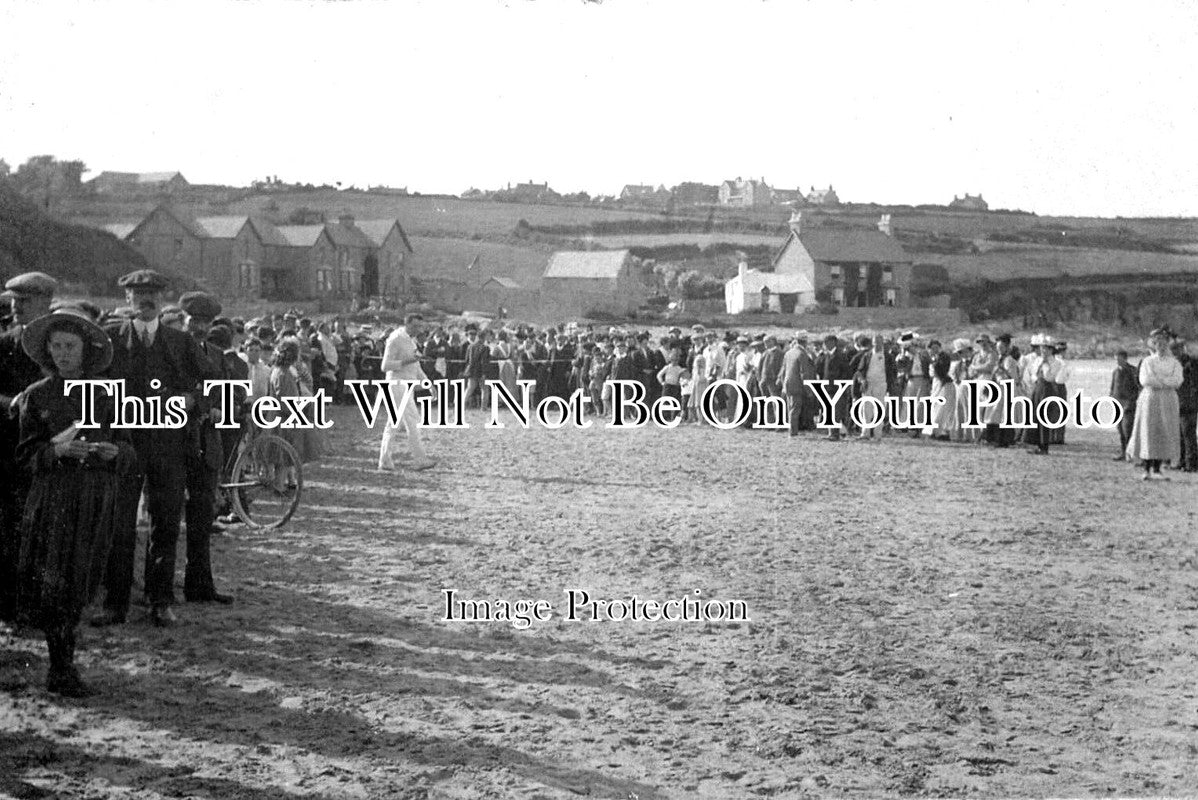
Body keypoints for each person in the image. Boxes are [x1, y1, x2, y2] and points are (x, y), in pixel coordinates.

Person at [14, 308, 138, 695]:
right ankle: (60, 668)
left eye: (71, 346)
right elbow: (24, 457)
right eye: (56, 347)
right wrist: (57, 451)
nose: (64, 353)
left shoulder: (106, 394)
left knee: (82, 578)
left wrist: (113, 452)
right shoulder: (37, 397)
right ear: (47, 352)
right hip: (55, 498)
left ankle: (64, 664)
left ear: (86, 350)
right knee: (57, 581)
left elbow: (130, 448)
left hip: (95, 498)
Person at [94, 270, 221, 628]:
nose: (145, 299)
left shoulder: (180, 342)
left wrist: (190, 400)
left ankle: (160, 600)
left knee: (165, 524)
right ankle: (115, 603)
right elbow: (93, 386)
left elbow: (213, 385)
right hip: (124, 444)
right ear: (128, 299)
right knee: (119, 525)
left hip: (169, 446)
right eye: (138, 293)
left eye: (152, 293)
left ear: (162, 299)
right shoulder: (110, 340)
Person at [0, 271, 58, 625]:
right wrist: (14, 402)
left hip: (51, 449)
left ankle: (38, 604)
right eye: (14, 300)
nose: (16, 307)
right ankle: (9, 604)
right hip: (9, 448)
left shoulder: (61, 343)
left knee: (46, 527)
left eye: (25, 301)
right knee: (10, 525)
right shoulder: (4, 344)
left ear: (46, 303)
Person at [378, 314, 436, 471]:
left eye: (420, 326)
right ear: (407, 324)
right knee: (412, 421)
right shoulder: (395, 338)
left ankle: (385, 460)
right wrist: (405, 362)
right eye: (416, 326)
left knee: (394, 423)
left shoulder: (411, 341)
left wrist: (427, 383)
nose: (418, 329)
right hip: (396, 384)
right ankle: (419, 459)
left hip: (406, 385)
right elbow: (385, 366)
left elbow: (416, 367)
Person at [1126, 330, 1184, 479]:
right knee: (1148, 431)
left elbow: (1177, 380)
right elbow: (1145, 380)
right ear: (1154, 345)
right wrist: (1165, 380)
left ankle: (1158, 469)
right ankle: (1146, 469)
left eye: (1165, 343)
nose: (1162, 346)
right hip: (1150, 399)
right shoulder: (1148, 362)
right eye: (1158, 343)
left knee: (1164, 431)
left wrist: (1160, 380)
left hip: (1168, 399)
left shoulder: (1174, 363)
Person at [1022, 334, 1066, 455]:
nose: (1043, 351)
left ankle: (1044, 446)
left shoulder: (1056, 362)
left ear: (1051, 350)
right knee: (1035, 415)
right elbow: (1031, 373)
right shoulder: (1037, 360)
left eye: (1045, 348)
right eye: (1041, 348)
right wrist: (1035, 378)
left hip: (1048, 389)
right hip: (1038, 388)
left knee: (1044, 416)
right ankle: (1037, 443)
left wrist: (1045, 365)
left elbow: (1050, 376)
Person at [1172, 339, 1198, 472]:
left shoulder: (1192, 363)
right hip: (1179, 403)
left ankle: (1191, 463)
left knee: (1188, 434)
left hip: (1188, 404)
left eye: (1177, 350)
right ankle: (1183, 461)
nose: (1175, 353)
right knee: (1180, 435)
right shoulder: (1177, 363)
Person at [1110, 349, 1140, 461]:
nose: (1117, 361)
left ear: (1125, 358)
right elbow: (1112, 387)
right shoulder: (1115, 371)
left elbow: (1137, 389)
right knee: (1120, 430)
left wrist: (1132, 402)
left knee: (1128, 429)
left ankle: (1130, 453)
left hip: (1129, 403)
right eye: (1116, 358)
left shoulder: (1133, 371)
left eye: (1119, 358)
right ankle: (1123, 452)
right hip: (1117, 403)